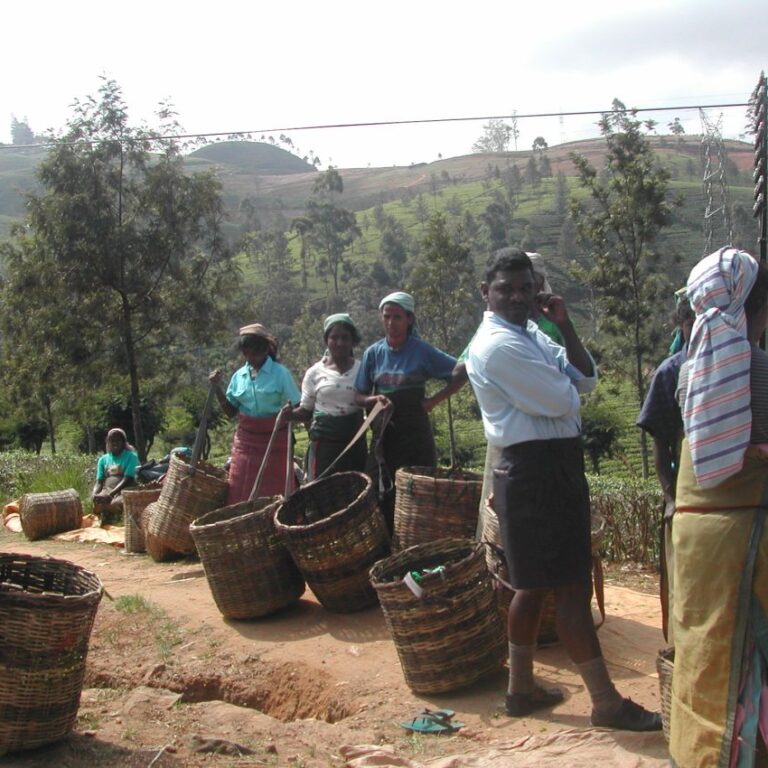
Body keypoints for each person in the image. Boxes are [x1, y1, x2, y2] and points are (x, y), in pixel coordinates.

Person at [466, 247, 661, 730]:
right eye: (506, 288)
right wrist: (564, 385)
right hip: (537, 472)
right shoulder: (497, 345)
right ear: (484, 293)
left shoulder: (527, 332)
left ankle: (520, 690)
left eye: (526, 287)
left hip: (543, 470)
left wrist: (564, 325)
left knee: (530, 588)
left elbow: (586, 380)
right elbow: (561, 400)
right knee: (571, 587)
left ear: (538, 291)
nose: (516, 296)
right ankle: (606, 702)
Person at [670, 247, 768, 767]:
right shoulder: (760, 372)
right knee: (746, 665)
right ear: (757, 309)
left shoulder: (692, 370)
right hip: (747, 544)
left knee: (703, 658)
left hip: (696, 545)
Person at [354, 291, 465, 531]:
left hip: (415, 433)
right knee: (378, 488)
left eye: (397, 317)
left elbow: (461, 371)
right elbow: (358, 396)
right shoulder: (373, 354)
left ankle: (417, 540)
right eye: (387, 317)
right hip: (384, 434)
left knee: (420, 488)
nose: (391, 323)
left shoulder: (422, 351)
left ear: (409, 319)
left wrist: (434, 401)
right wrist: (374, 398)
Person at [636, 291, 695, 641]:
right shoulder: (672, 372)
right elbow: (661, 440)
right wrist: (671, 496)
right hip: (685, 494)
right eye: (690, 323)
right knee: (683, 585)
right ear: (681, 325)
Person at [210, 324, 300, 504]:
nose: (251, 358)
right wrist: (216, 387)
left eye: (255, 353)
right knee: (240, 486)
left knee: (277, 490)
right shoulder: (239, 376)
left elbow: (298, 405)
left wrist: (290, 415)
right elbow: (230, 411)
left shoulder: (280, 373)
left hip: (275, 440)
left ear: (266, 350)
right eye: (247, 354)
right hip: (246, 442)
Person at [282, 313, 366, 481]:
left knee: (357, 491)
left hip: (355, 443)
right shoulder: (314, 373)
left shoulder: (362, 369)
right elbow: (306, 411)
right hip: (324, 446)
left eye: (345, 338)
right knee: (322, 492)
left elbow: (370, 405)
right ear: (326, 340)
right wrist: (290, 414)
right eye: (334, 337)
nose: (340, 343)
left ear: (352, 341)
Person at [91, 427, 139, 524]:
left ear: (123, 442)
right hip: (107, 490)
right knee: (98, 502)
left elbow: (128, 479)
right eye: (112, 441)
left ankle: (112, 516)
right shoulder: (103, 459)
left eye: (118, 441)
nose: (115, 443)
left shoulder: (131, 456)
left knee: (116, 503)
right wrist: (95, 494)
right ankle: (106, 514)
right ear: (108, 443)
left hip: (125, 490)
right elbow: (99, 482)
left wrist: (111, 495)